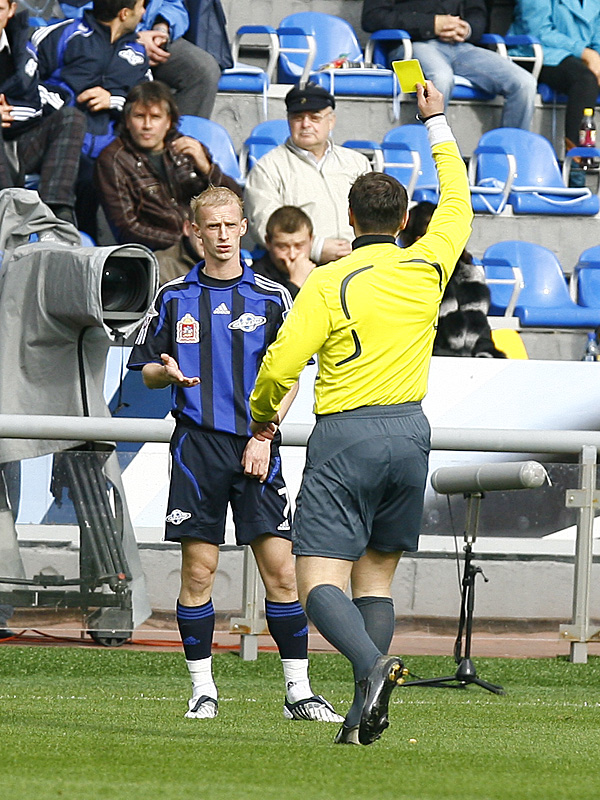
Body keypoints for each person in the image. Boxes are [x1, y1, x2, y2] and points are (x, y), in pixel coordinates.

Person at [249, 80, 473, 745]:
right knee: (375, 580)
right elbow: (457, 201)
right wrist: (435, 121)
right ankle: (357, 721)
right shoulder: (428, 264)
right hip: (411, 434)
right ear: (404, 223)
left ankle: (374, 666)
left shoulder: (328, 280)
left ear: (349, 220)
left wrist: (263, 417)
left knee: (317, 580)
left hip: (346, 434)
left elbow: (281, 366)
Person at [127, 186, 343, 724]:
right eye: (212, 227)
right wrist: (165, 374)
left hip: (257, 444)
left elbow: (290, 377)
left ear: (243, 227)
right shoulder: (173, 296)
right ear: (194, 231)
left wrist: (264, 434)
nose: (222, 235)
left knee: (283, 573)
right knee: (199, 572)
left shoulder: (273, 297)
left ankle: (298, 692)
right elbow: (146, 368)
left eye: (230, 225)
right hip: (196, 448)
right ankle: (202, 690)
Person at [30, 0, 151, 235]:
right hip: (56, 139)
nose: (144, 12)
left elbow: (149, 105)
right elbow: (25, 80)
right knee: (88, 175)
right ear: (124, 13)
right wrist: (64, 102)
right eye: (141, 6)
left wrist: (113, 100)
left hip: (109, 146)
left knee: (111, 174)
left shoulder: (138, 54)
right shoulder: (62, 34)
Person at [95, 80, 243, 250]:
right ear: (127, 121)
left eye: (155, 117)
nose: (147, 125)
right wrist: (186, 242)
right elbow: (127, 228)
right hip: (156, 252)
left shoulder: (189, 148)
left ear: (168, 121)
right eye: (139, 116)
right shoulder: (112, 160)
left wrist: (207, 168)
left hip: (207, 243)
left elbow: (236, 201)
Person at [244, 83, 371, 265]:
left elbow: (376, 214)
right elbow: (264, 226)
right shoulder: (268, 168)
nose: (305, 124)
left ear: (331, 121)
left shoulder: (357, 163)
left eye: (314, 117)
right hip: (300, 264)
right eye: (298, 117)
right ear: (288, 120)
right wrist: (315, 248)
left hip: (360, 261)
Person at [361, 0, 537, 129]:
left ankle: (509, 156)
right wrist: (431, 24)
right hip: (409, 45)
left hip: (460, 46)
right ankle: (424, 152)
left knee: (524, 83)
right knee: (441, 78)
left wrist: (466, 28)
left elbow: (477, 13)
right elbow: (372, 17)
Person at [58, 0, 222, 119]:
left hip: (152, 34)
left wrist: (162, 28)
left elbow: (173, 4)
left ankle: (179, 148)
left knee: (203, 70)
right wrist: (133, 37)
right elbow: (80, 10)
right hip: (103, 34)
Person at [0, 1, 85, 224]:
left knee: (72, 118)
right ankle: (7, 215)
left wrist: (12, 111)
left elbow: (33, 104)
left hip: (20, 142)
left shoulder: (22, 49)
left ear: (11, 10)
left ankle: (56, 212)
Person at [400, 201, 506, 358]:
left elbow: (482, 336)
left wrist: (485, 356)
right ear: (417, 241)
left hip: (465, 366)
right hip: (426, 365)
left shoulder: (470, 278)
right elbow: (411, 342)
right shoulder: (405, 280)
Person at [508, 1, 600, 155]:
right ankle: (577, 161)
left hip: (582, 57)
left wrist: (596, 59)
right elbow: (539, 32)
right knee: (585, 80)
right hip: (538, 53)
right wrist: (583, 52)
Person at [252, 206, 316, 299]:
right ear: (268, 242)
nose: (292, 255)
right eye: (283, 247)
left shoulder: (323, 272)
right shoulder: (255, 279)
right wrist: (296, 284)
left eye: (299, 246)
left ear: (311, 240)